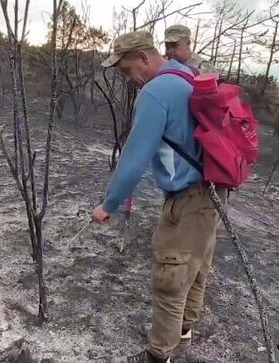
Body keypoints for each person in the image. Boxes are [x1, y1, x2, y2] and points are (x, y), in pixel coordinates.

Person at [93, 31, 227, 363]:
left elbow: (135, 157)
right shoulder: (186, 74)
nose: (128, 79)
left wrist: (108, 205)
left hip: (188, 198)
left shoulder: (155, 92)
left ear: (143, 57)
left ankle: (158, 355)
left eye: (126, 70)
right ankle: (182, 332)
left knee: (170, 276)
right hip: (212, 193)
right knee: (196, 268)